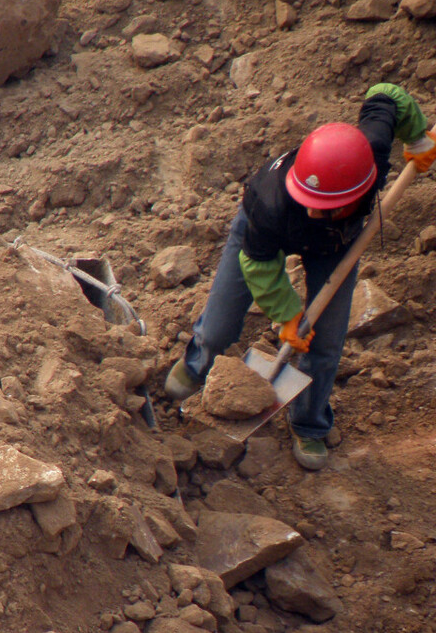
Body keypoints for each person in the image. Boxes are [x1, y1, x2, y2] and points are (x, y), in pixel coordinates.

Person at [163, 84, 436, 470]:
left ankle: (309, 423)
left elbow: (386, 94)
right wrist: (288, 316)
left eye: (323, 208)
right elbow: (259, 266)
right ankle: (197, 366)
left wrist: (418, 138)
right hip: (265, 235)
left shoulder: (370, 149)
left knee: (324, 342)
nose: (313, 212)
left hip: (336, 245)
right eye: (310, 203)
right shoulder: (270, 203)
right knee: (222, 321)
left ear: (357, 194)